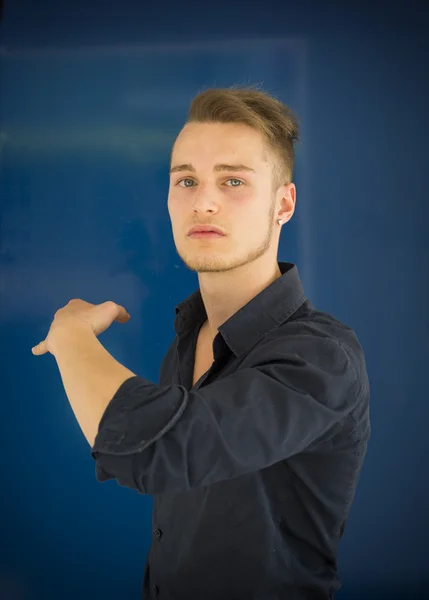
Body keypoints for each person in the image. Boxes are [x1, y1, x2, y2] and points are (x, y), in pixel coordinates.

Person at [32, 86, 370, 599]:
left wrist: (72, 335)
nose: (203, 201)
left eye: (233, 180)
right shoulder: (185, 345)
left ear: (284, 204)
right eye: (185, 180)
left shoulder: (322, 358)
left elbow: (156, 451)